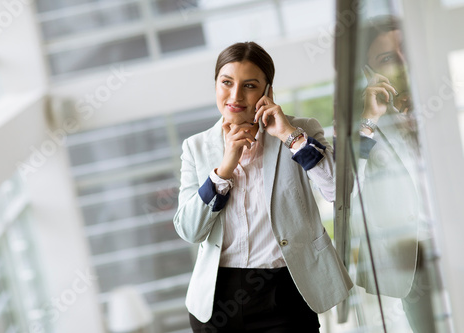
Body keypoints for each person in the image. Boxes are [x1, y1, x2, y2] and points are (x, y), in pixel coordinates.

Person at [173, 41, 353, 332]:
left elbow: (340, 191)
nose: (235, 96)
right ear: (216, 84)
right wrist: (224, 169)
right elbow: (190, 230)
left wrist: (288, 135)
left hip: (286, 292)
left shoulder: (300, 130)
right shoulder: (195, 147)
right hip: (218, 301)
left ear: (268, 91)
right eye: (226, 82)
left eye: (250, 85)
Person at [353, 15, 436, 333]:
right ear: (368, 72)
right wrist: (369, 121)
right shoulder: (364, 125)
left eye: (405, 49)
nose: (402, 62)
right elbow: (346, 187)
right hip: (415, 255)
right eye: (386, 58)